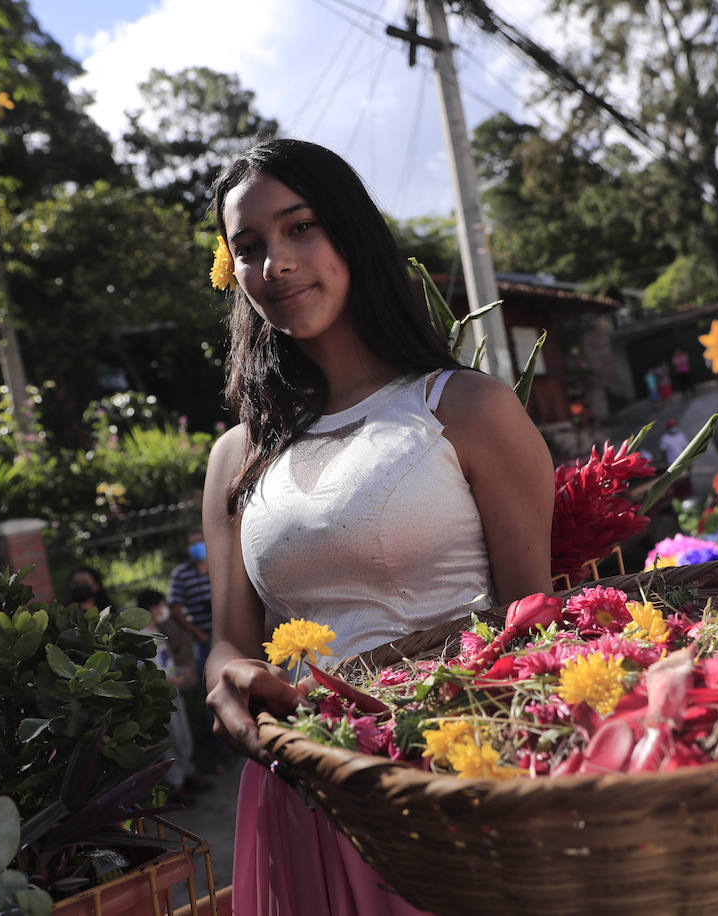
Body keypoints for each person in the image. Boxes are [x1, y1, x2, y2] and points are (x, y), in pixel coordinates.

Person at [202, 138, 553, 915]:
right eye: (250, 247)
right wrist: (225, 679)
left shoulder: (464, 409)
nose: (278, 264)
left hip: (454, 784)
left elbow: (538, 627)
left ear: (352, 234)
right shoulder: (235, 456)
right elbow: (231, 639)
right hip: (307, 795)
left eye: (301, 229)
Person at [136, 589, 208, 802]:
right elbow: (143, 671)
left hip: (175, 692)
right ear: (152, 608)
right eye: (162, 605)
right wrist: (167, 681)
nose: (165, 610)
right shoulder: (140, 638)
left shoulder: (157, 632)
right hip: (160, 698)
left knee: (183, 736)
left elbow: (165, 661)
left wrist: (179, 674)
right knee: (170, 739)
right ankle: (176, 785)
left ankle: (187, 775)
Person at [167, 531, 214, 679]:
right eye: (193, 544)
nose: (197, 546)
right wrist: (199, 635)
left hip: (228, 631)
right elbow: (176, 611)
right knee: (208, 676)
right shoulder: (181, 574)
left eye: (200, 542)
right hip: (202, 637)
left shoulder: (219, 567)